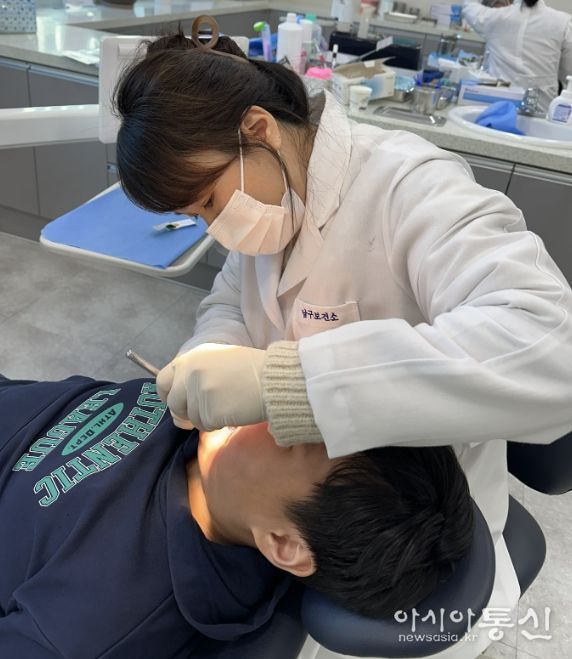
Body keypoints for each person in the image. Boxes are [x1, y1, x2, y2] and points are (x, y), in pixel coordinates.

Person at [113, 21, 572, 657]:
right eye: (196, 217)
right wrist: (212, 351)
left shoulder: (410, 185)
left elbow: (550, 349)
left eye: (210, 201)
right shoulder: (271, 201)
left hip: (409, 524)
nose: (216, 227)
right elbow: (230, 300)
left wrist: (288, 384)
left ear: (258, 129)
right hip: (311, 511)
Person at [0, 374, 474, 658]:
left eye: (292, 438)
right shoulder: (220, 456)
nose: (268, 404)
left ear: (283, 544)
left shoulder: (98, 616)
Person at [463, 0, 572, 111]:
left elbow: (469, 6)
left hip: (498, 109)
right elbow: (568, 72)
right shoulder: (562, 22)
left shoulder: (496, 17)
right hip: (540, 111)